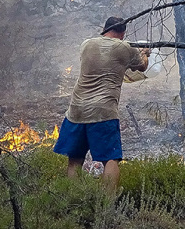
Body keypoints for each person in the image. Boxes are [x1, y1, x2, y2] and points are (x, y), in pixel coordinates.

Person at [53, 16, 149, 192]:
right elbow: (142, 66)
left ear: (105, 29)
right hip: (103, 112)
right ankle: (106, 205)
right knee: (110, 159)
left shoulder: (87, 44)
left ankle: (73, 201)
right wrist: (145, 52)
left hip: (76, 110)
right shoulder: (125, 48)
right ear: (122, 33)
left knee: (74, 160)